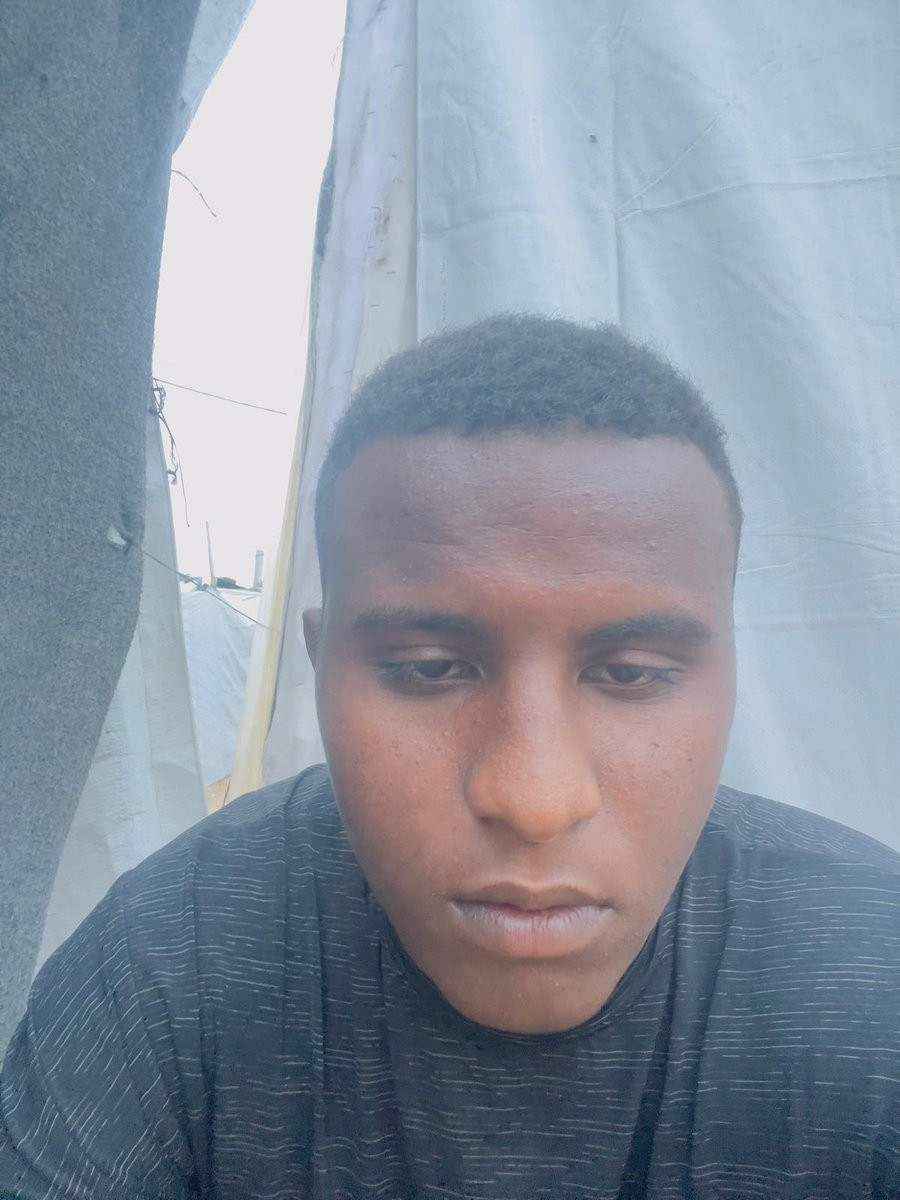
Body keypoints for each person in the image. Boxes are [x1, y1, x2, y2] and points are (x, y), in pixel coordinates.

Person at [1, 315, 897, 1200]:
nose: (535, 800)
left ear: (732, 676)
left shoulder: (874, 969)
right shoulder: (167, 963)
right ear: (318, 666)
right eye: (430, 669)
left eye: (630, 673)